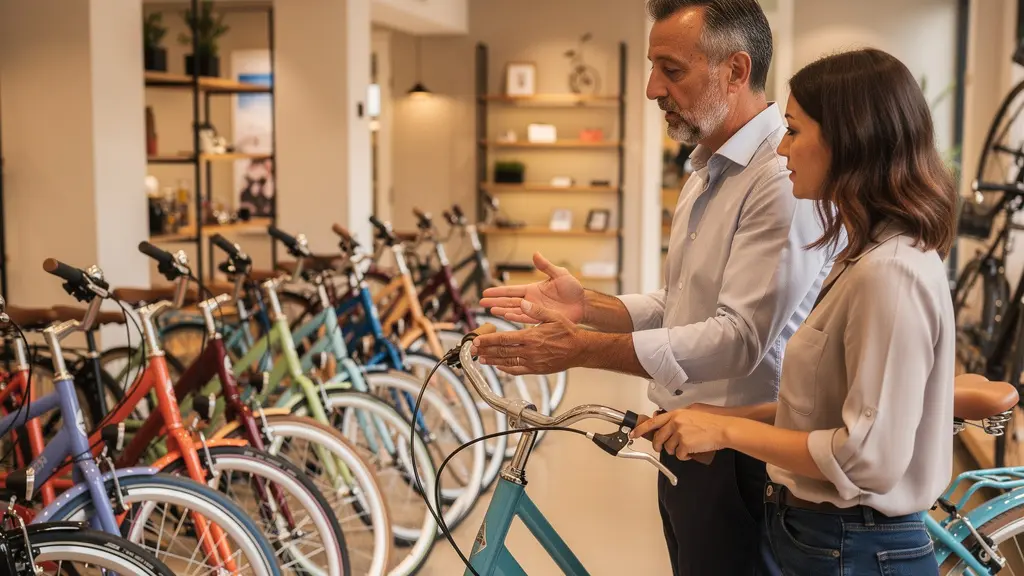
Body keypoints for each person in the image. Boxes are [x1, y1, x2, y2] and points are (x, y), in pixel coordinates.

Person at [471, 1, 834, 574]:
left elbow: (738, 338)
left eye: (671, 70)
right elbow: (681, 305)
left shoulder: (777, 179)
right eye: (652, 68)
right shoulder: (708, 168)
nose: (650, 89)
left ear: (736, 71)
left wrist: (583, 349)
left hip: (740, 456)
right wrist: (588, 307)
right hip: (687, 447)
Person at [632, 48, 958, 575]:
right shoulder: (862, 256)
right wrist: (721, 416)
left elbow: (866, 456)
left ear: (849, 141)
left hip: (855, 548)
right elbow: (819, 411)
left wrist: (728, 433)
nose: (782, 151)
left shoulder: (890, 274)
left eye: (793, 131)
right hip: (822, 538)